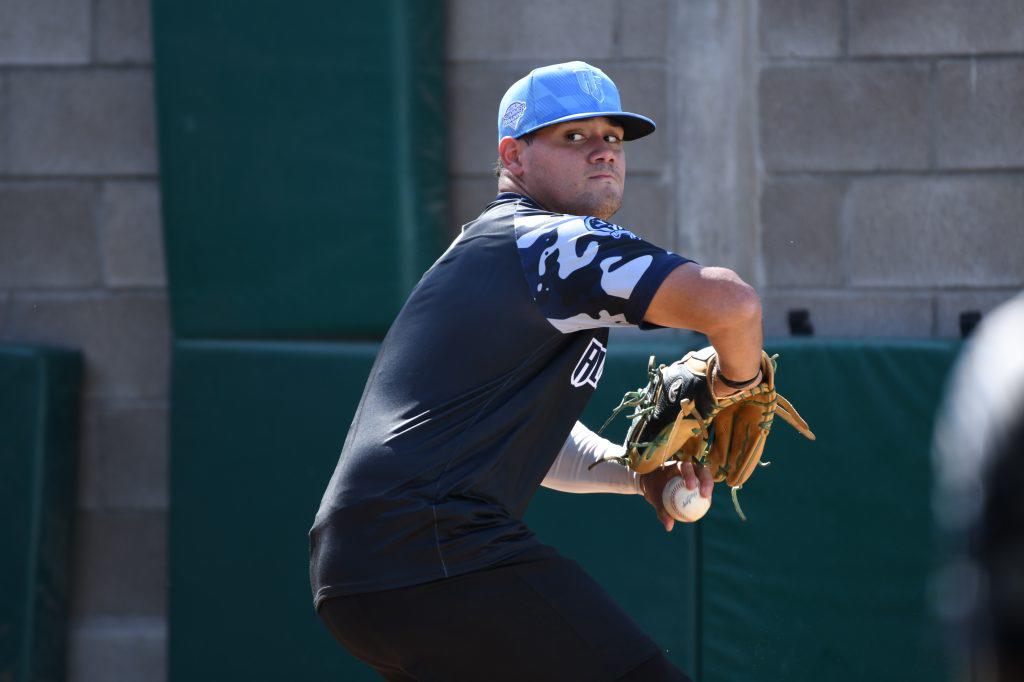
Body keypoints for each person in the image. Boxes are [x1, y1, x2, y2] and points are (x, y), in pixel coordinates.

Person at [309, 61, 765, 681]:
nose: (603, 151)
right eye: (574, 136)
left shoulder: (495, 251)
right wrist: (738, 383)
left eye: (613, 136)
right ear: (513, 157)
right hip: (434, 545)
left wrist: (636, 472)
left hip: (363, 573)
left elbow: (536, 446)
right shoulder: (544, 241)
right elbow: (732, 304)